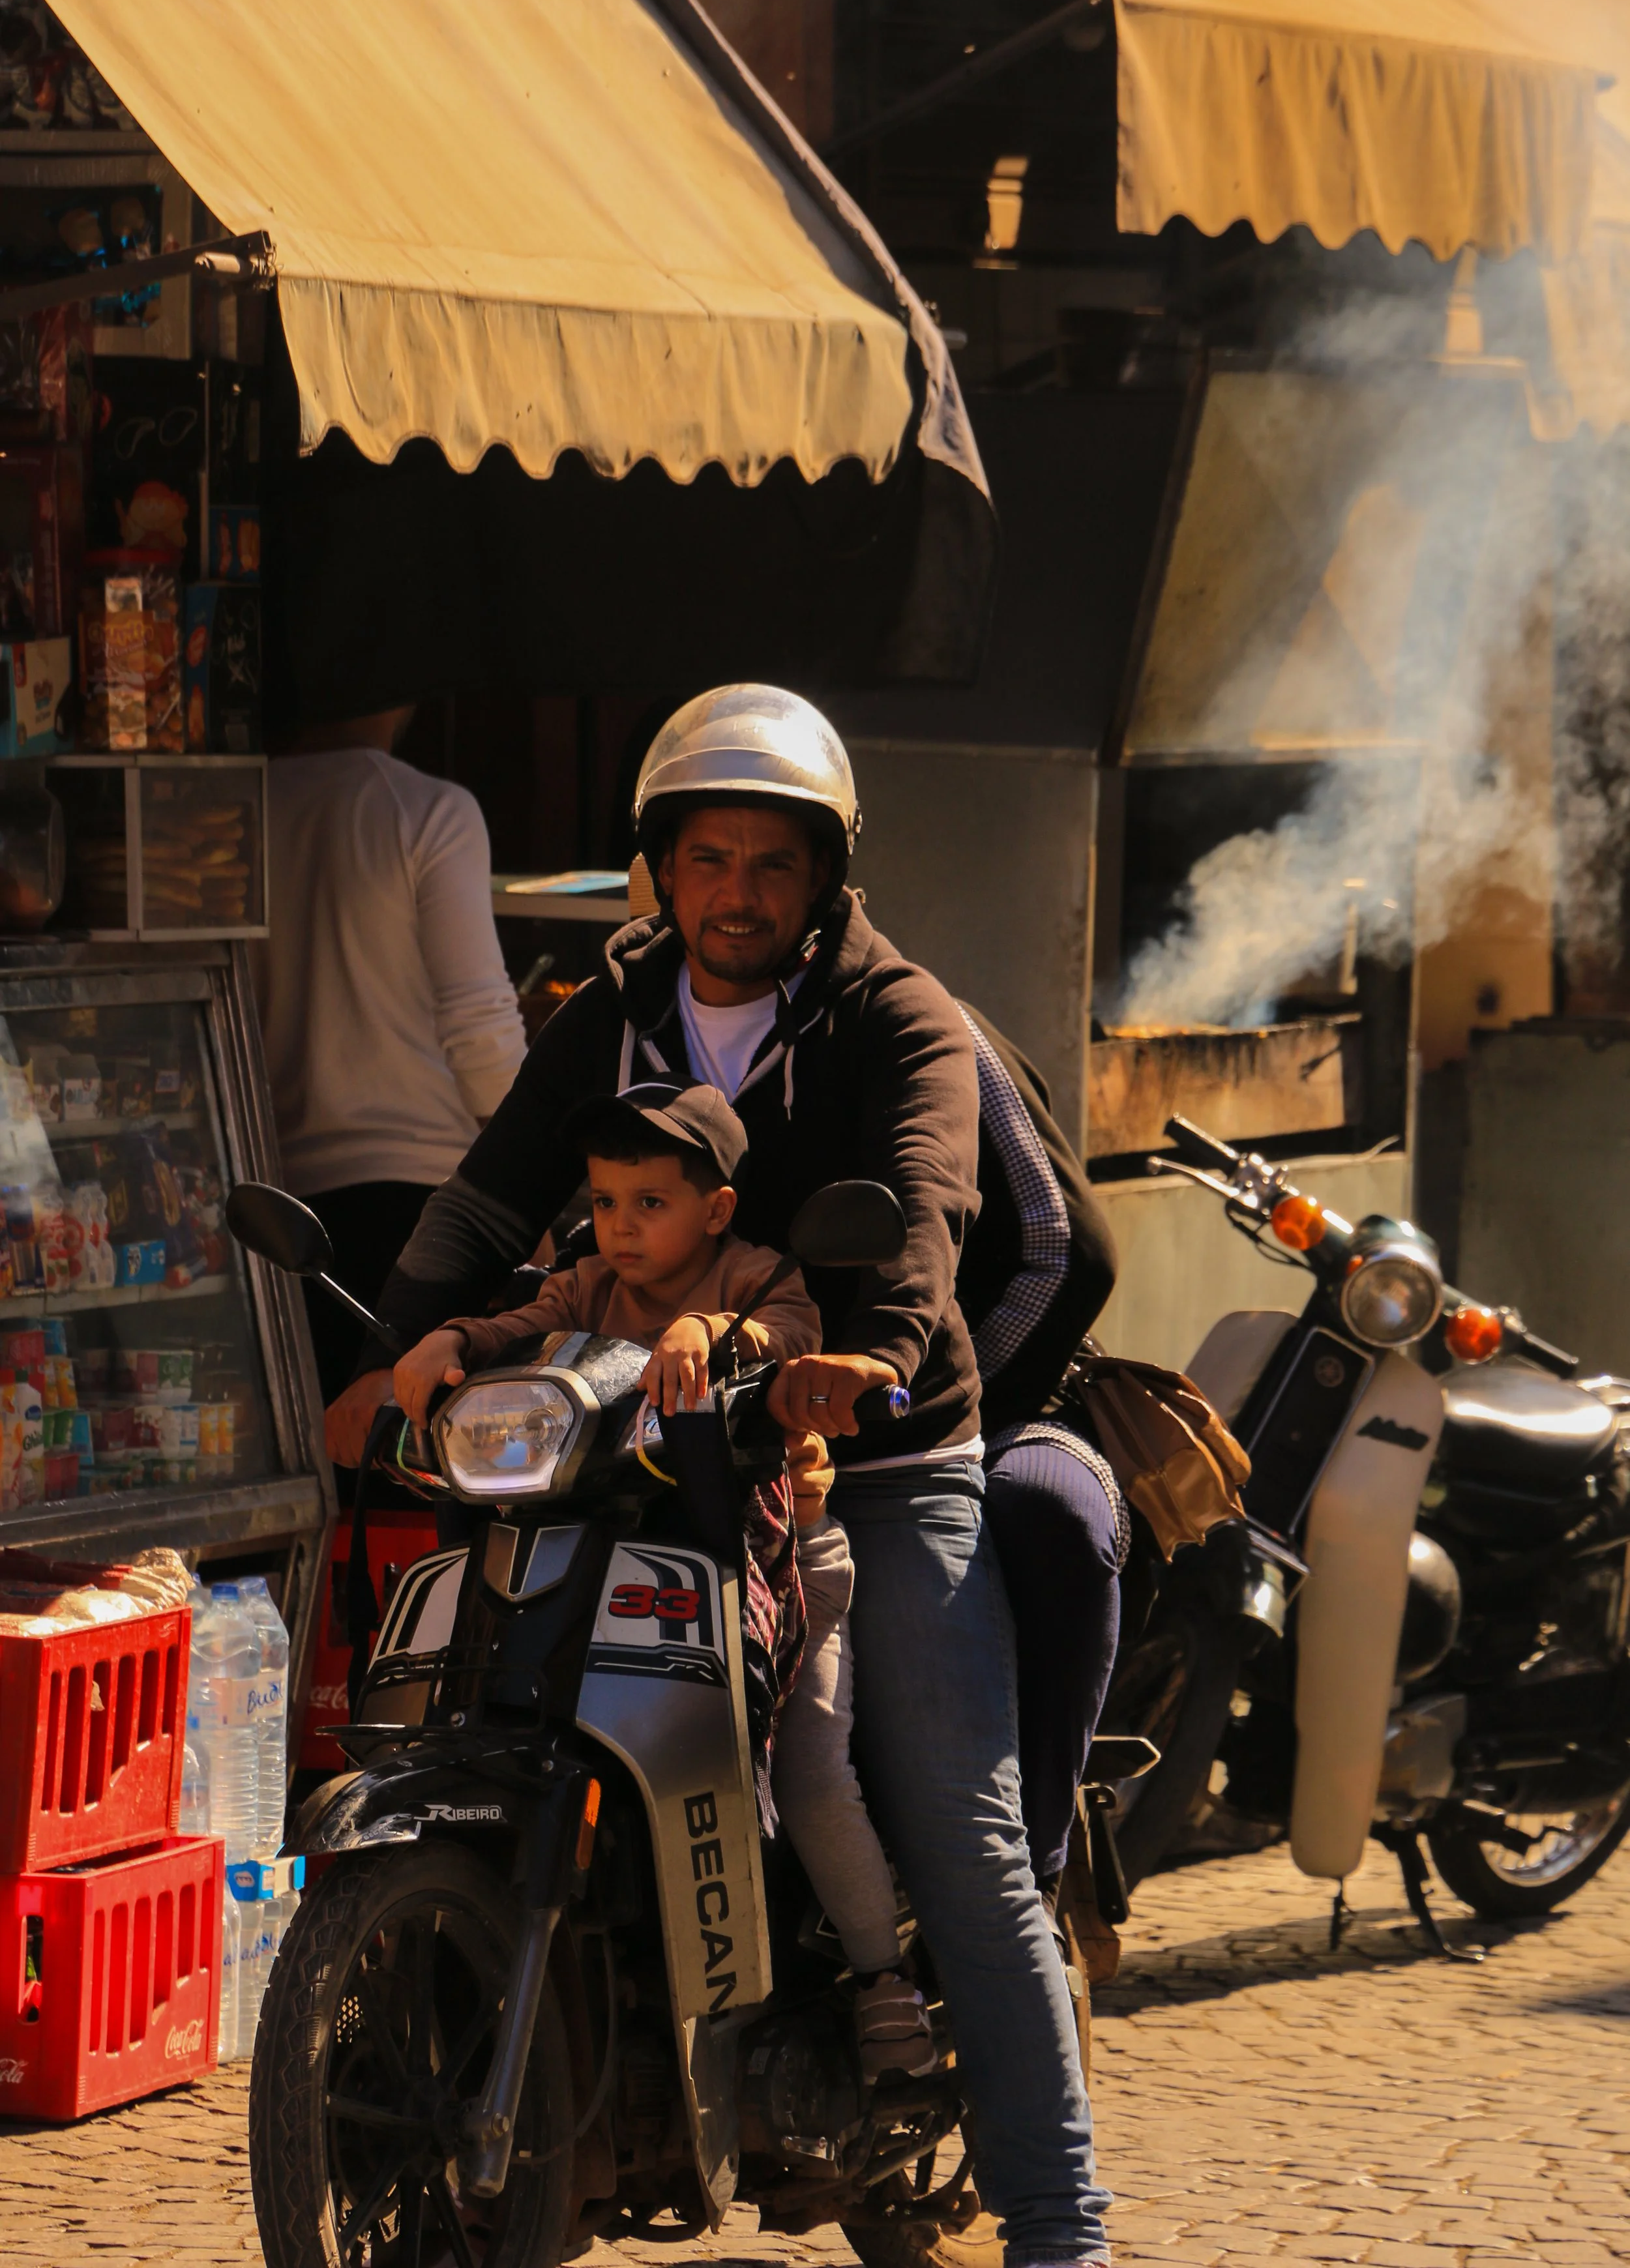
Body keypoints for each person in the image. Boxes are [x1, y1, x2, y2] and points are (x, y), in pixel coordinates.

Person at [337, 685, 1111, 2268]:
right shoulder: (611, 1011)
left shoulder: (899, 1012)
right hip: (639, 1454)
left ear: (824, 872)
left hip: (873, 1461)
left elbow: (921, 1208)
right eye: (708, 857)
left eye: (772, 860)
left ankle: (1061, 2225)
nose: (738, 890)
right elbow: (491, 1198)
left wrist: (869, 1356)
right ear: (661, 870)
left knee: (960, 1836)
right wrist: (394, 1350)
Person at [393, 1073, 939, 2084]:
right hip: (611, 1562)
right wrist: (449, 1340)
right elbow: (515, 1328)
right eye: (604, 1202)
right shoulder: (587, 1286)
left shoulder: (757, 1273)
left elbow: (794, 1335)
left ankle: (881, 1978)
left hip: (779, 1569)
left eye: (651, 1202)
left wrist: (711, 1333)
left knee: (811, 1772)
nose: (622, 1227)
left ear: (716, 1209)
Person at [250, 703, 526, 1414]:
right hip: (431, 1211)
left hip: (272, 1206)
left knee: (316, 1468)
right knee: (417, 1479)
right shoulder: (429, 808)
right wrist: (532, 1184)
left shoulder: (231, 806)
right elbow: (481, 1029)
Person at [957, 1007, 1130, 1909]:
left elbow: (1069, 1248)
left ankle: (1031, 1878)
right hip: (728, 1422)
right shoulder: (621, 1032)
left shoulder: (927, 1027)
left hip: (995, 1407)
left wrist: (947, 1397)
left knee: (1050, 1512)